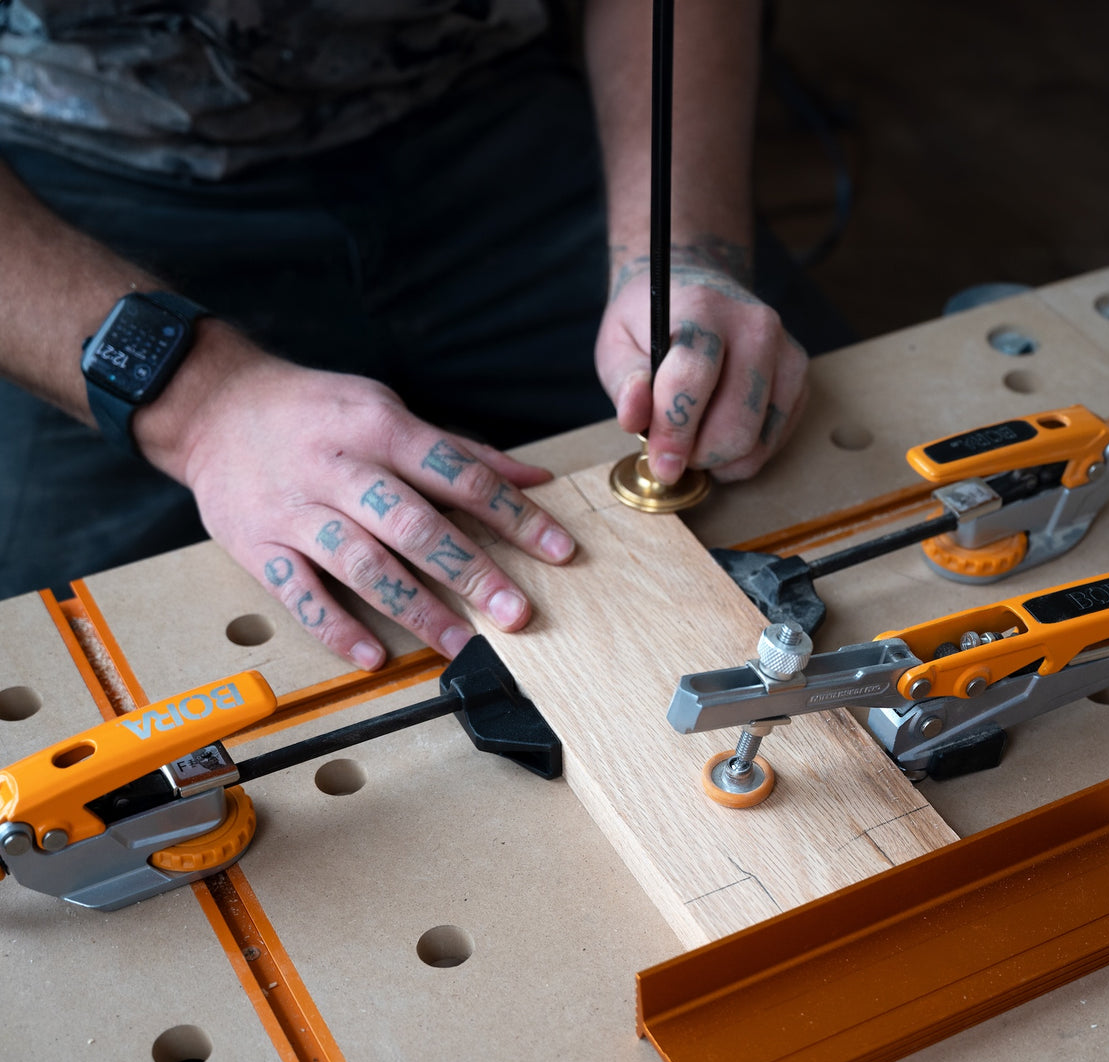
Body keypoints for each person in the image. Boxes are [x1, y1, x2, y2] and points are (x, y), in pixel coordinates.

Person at [0, 1, 838, 670]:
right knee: (86, 661)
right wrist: (200, 406)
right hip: (77, 187)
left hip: (491, 110)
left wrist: (686, 248)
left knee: (791, 459)